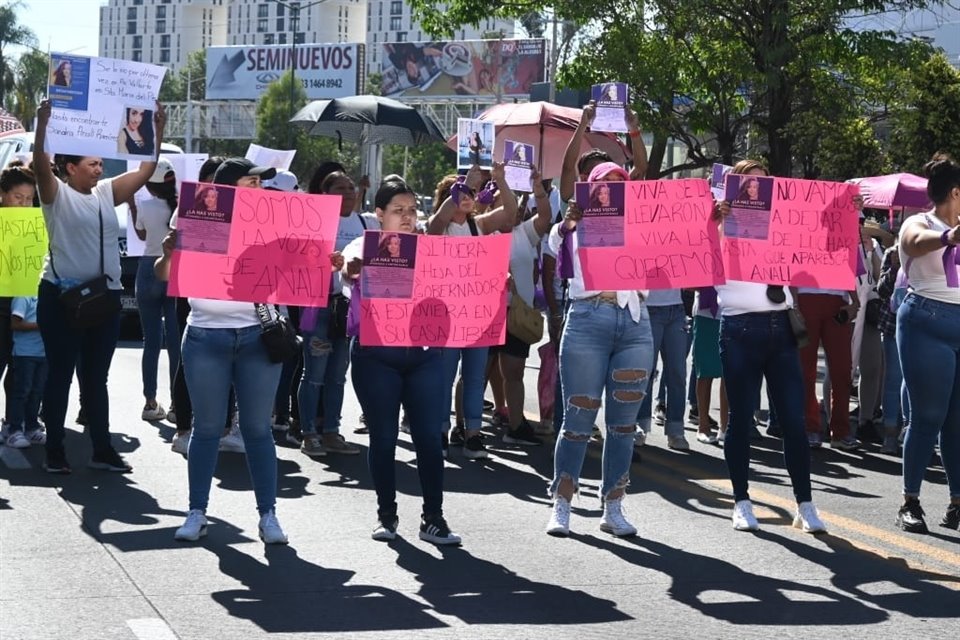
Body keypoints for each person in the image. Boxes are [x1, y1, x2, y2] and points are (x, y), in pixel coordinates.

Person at [155, 157, 314, 544]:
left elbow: (299, 270)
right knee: (207, 429)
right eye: (251, 182)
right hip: (206, 336)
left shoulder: (276, 222)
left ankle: (268, 515)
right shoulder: (196, 214)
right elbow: (164, 274)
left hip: (258, 336)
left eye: (261, 184)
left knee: (258, 429)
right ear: (227, 189)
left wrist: (318, 261)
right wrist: (170, 252)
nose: (259, 189)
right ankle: (197, 512)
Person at [33, 99, 166, 474]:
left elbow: (146, 169)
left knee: (96, 377)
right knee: (61, 374)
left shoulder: (107, 192)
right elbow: (42, 164)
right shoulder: (55, 195)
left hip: (102, 301)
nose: (99, 168)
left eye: (100, 164)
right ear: (70, 168)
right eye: (91, 164)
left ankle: (102, 449)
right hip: (62, 298)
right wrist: (43, 125)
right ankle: (55, 450)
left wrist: (157, 128)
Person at [342, 179, 461, 545]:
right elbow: (347, 268)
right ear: (379, 215)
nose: (408, 217)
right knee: (384, 437)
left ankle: (433, 518)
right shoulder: (362, 246)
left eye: (412, 210)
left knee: (428, 437)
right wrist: (354, 268)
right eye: (398, 211)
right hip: (376, 356)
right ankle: (386, 515)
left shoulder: (433, 249)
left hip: (424, 356)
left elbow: (459, 283)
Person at [713, 159, 826, 534]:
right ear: (734, 188)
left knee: (794, 420)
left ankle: (805, 503)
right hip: (739, 329)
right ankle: (741, 500)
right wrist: (714, 221)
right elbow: (694, 254)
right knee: (741, 420)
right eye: (748, 183)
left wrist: (842, 212)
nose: (756, 190)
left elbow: (821, 239)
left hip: (781, 331)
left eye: (763, 184)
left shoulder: (782, 225)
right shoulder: (719, 223)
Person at [545, 161, 654, 538]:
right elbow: (554, 243)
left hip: (636, 324)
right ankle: (562, 502)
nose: (609, 190)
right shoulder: (574, 224)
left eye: (618, 184)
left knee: (623, 425)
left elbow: (680, 240)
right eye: (602, 184)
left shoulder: (640, 225)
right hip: (589, 319)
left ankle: (614, 505)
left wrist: (710, 218)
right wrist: (570, 223)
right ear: (589, 190)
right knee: (578, 419)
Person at [428, 164, 520, 458]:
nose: (468, 197)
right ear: (449, 196)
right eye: (461, 193)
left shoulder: (477, 225)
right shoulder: (439, 226)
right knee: (442, 375)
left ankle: (473, 435)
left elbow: (510, 212)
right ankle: (440, 431)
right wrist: (465, 184)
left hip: (476, 314)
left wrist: (502, 180)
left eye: (471, 193)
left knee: (474, 377)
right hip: (445, 314)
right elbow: (438, 221)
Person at [894, 154, 960, 534]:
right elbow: (915, 244)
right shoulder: (920, 222)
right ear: (954, 192)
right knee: (927, 417)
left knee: (956, 422)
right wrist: (949, 236)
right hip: (926, 322)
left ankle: (956, 505)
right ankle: (910, 502)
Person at [296, 171, 371, 459]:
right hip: (320, 306)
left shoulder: (365, 223)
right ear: (325, 194)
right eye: (341, 188)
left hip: (348, 310)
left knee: (338, 376)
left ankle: (331, 431)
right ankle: (308, 433)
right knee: (314, 375)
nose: (349, 192)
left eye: (351, 188)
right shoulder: (314, 222)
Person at [488, 166, 553, 447]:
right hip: (486, 315)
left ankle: (516, 426)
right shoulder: (480, 232)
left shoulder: (524, 233)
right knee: (476, 374)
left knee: (514, 372)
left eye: (514, 206)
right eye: (504, 206)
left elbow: (547, 217)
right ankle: (465, 429)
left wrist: (538, 189)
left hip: (517, 316)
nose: (511, 212)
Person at [131, 158, 180, 422]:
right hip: (174, 268)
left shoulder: (143, 205)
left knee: (150, 342)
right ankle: (176, 404)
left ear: (149, 185)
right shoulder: (182, 204)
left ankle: (150, 402)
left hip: (148, 267)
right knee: (175, 343)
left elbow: (141, 235)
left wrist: (131, 207)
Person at [5, 296, 48, 449]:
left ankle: (31, 428)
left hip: (43, 354)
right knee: (22, 391)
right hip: (25, 353)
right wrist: (41, 326)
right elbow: (15, 323)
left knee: (37, 392)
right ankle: (14, 429)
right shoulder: (23, 296)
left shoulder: (47, 296)